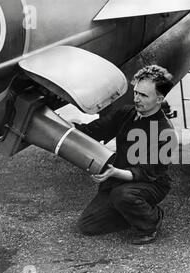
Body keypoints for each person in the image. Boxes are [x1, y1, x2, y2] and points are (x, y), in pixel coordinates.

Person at [74, 65, 177, 245]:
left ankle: (151, 221)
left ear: (159, 98)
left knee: (122, 196)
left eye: (143, 95)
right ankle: (133, 212)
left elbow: (146, 173)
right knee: (87, 225)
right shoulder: (126, 113)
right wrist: (66, 126)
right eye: (136, 92)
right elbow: (95, 131)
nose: (136, 98)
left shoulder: (165, 133)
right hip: (120, 178)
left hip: (151, 182)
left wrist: (114, 173)